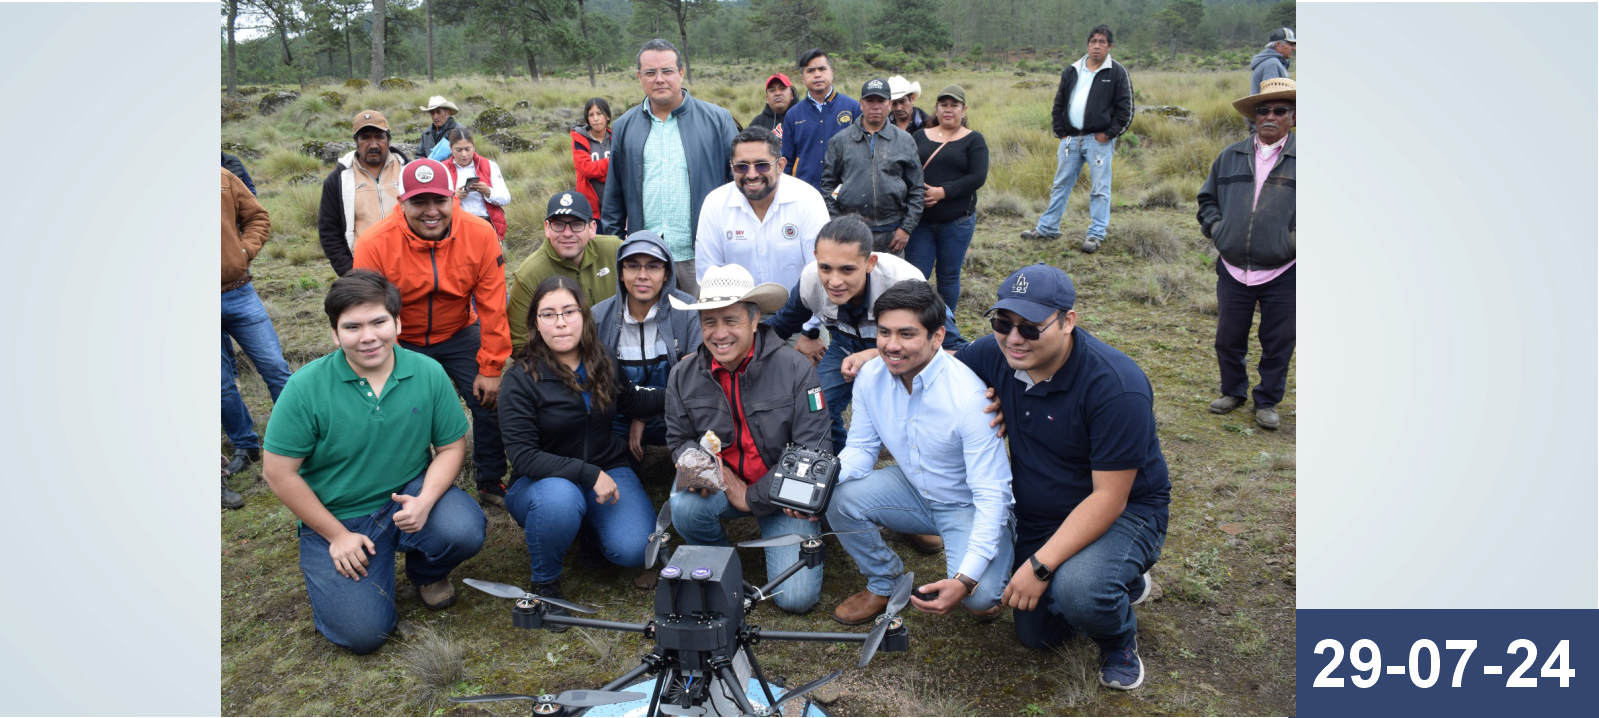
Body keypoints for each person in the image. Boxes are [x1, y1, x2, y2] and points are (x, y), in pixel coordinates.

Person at [955, 264, 1169, 691]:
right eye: (1002, 322)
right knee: (1037, 636)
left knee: (1080, 592)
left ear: (1068, 322)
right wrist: (872, 354)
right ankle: (1120, 580)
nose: (1014, 339)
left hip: (1124, 511)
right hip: (1042, 513)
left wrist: (1039, 566)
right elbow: (941, 366)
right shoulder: (994, 354)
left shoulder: (1116, 386)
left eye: (1031, 328)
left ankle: (1117, 638)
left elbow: (1109, 498)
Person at [262, 270, 486, 655]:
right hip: (339, 517)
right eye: (352, 327)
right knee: (364, 634)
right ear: (334, 334)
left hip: (406, 496)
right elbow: (278, 473)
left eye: (379, 322)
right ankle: (343, 579)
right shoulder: (304, 388)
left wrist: (426, 500)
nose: (368, 336)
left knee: (464, 528)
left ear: (398, 323)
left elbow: (451, 447)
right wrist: (336, 536)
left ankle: (426, 574)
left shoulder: (428, 372)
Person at [825, 281, 1015, 626]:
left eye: (907, 334)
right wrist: (818, 484)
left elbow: (991, 494)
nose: (892, 346)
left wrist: (965, 579)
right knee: (836, 496)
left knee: (980, 596)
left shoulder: (969, 399)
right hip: (912, 486)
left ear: (938, 336)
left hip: (966, 504)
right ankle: (884, 581)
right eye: (884, 332)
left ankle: (1003, 549)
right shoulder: (870, 376)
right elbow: (862, 449)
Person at [664, 264, 831, 614]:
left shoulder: (796, 368)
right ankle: (724, 571)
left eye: (731, 320)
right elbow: (678, 439)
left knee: (796, 600)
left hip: (784, 493)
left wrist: (749, 497)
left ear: (755, 321)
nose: (719, 333)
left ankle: (808, 529)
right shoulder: (682, 374)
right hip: (725, 485)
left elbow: (813, 450)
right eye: (709, 321)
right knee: (684, 506)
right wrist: (702, 470)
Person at [498, 276, 666, 622]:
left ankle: (589, 532)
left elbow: (634, 400)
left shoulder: (602, 358)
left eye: (569, 311)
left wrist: (687, 385)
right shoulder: (519, 379)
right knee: (560, 499)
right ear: (535, 323)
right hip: (542, 484)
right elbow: (524, 456)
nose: (560, 322)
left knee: (635, 549)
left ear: (584, 316)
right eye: (548, 314)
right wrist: (588, 475)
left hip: (608, 466)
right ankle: (545, 585)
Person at [352, 158, 512, 508]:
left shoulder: (480, 234)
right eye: (418, 202)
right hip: (399, 340)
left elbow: (493, 305)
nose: (430, 212)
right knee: (401, 411)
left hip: (459, 331)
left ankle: (490, 481)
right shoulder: (375, 242)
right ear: (402, 202)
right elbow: (366, 312)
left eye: (438, 201)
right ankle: (410, 485)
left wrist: (491, 367)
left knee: (491, 402)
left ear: (451, 199)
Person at [765, 215, 965, 454]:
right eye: (825, 267)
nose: (834, 281)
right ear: (816, 258)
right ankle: (835, 465)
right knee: (817, 406)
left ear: (870, 262)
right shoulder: (811, 280)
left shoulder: (902, 282)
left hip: (909, 357)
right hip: (845, 347)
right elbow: (780, 326)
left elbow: (954, 351)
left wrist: (873, 356)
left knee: (920, 417)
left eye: (847, 269)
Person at [600, 38, 739, 297]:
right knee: (652, 327)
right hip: (645, 258)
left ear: (681, 73)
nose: (659, 79)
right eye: (650, 72)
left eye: (667, 71)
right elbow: (614, 194)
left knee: (706, 327)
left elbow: (737, 185)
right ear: (640, 76)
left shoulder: (718, 120)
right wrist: (617, 247)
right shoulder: (623, 126)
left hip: (703, 256)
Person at [1197, 78, 1296, 431]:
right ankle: (1232, 391)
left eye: (1279, 110)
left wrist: (1291, 243)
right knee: (1228, 336)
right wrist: (1218, 230)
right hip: (1234, 266)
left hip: (1285, 269)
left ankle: (1267, 400)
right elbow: (1207, 200)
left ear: (1293, 117)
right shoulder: (1230, 157)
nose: (1270, 116)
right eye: (1263, 110)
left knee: (1279, 339)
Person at [1020, 24, 1134, 254]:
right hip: (1071, 139)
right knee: (1060, 184)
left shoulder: (1117, 72)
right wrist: (1061, 131)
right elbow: (1059, 103)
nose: (1097, 46)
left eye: (1102, 42)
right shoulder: (1072, 70)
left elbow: (1126, 110)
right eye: (1093, 41)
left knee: (1100, 188)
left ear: (1110, 46)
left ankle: (1096, 234)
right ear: (1087, 44)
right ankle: (1048, 228)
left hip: (1098, 141)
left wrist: (1108, 135)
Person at [592, 231, 702, 455]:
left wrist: (644, 416)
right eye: (633, 266)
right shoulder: (598, 316)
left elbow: (696, 381)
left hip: (675, 413)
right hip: (618, 416)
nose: (643, 275)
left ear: (667, 273)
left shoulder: (687, 310)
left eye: (653, 266)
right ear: (621, 273)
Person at [221, 168, 292, 508]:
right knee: (220, 385)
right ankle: (245, 445)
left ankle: (303, 434)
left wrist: (244, 252)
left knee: (275, 367)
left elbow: (258, 217)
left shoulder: (220, 177)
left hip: (238, 292)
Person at [695, 127, 828, 295]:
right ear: (731, 167)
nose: (751, 174)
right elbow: (709, 276)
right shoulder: (715, 204)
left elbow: (820, 271)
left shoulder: (808, 200)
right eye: (741, 166)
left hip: (800, 316)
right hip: (738, 314)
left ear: (780, 166)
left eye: (762, 165)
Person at [508, 191, 623, 353]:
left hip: (616, 353)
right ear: (547, 228)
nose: (567, 233)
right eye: (558, 224)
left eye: (576, 224)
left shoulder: (615, 250)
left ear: (592, 228)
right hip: (558, 364)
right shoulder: (529, 274)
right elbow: (519, 341)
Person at [820, 78, 924, 256]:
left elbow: (917, 189)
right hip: (854, 231)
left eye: (881, 101)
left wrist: (906, 228)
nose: (875, 106)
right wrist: (840, 222)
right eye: (870, 101)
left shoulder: (905, 141)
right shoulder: (840, 141)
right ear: (861, 104)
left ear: (890, 104)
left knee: (892, 283)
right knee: (856, 281)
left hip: (893, 232)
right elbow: (828, 186)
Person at [908, 85, 989, 310]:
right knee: (915, 276)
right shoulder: (918, 136)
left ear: (964, 110)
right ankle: (916, 321)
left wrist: (942, 192)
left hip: (957, 221)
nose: (948, 110)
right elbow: (906, 170)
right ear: (937, 108)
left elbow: (977, 177)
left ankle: (946, 326)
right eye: (944, 104)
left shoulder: (974, 140)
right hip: (920, 222)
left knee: (948, 276)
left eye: (954, 105)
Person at [319, 110, 409, 276]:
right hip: (363, 269)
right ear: (356, 141)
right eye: (366, 137)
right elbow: (329, 231)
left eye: (379, 137)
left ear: (388, 139)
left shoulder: (409, 171)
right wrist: (349, 271)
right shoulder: (338, 179)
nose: (373, 144)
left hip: (409, 266)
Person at [780, 49, 861, 189]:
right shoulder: (793, 115)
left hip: (845, 191)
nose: (817, 75)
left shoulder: (853, 107)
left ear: (831, 73)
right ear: (802, 78)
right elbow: (788, 160)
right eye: (810, 71)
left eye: (822, 69)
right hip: (805, 191)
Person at [442, 128, 510, 243]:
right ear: (450, 148)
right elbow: (435, 204)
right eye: (458, 150)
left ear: (474, 146)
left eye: (467, 149)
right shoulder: (442, 169)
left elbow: (506, 198)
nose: (464, 154)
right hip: (456, 226)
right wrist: (453, 197)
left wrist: (488, 191)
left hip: (486, 224)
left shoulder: (490, 166)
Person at [572, 98, 614, 217]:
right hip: (591, 209)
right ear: (587, 119)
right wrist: (612, 162)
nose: (595, 118)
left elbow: (624, 169)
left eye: (599, 113)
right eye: (591, 115)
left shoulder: (616, 138)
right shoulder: (579, 139)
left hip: (616, 205)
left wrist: (597, 173)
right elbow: (586, 169)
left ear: (608, 117)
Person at [1248, 28, 1295, 132]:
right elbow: (1272, 98)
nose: (1294, 48)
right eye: (1291, 44)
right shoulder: (1272, 63)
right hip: (1268, 128)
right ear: (1278, 45)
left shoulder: (1274, 62)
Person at [418, 96, 464, 160]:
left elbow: (466, 156)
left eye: (438, 112)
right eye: (432, 113)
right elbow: (419, 156)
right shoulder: (426, 134)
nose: (435, 116)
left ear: (447, 113)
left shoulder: (460, 131)